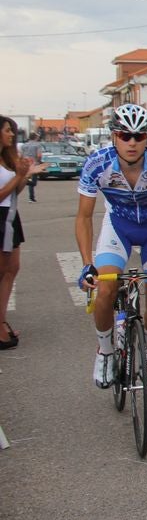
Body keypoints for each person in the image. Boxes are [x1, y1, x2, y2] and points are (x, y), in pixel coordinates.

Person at [75, 104, 147, 387]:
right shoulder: (97, 163)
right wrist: (86, 264)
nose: (131, 142)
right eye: (124, 135)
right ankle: (104, 350)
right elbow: (84, 216)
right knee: (105, 287)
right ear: (113, 136)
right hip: (119, 226)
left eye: (138, 136)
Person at [0, 117, 45, 348]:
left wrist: (25, 174)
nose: (11, 135)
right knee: (3, 271)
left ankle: (2, 320)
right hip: (2, 217)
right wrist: (19, 176)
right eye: (8, 131)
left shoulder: (8, 159)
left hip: (11, 215)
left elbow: (13, 192)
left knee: (12, 269)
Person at [20, 132, 42, 203]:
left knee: (30, 180)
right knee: (34, 182)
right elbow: (39, 155)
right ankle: (24, 182)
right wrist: (39, 161)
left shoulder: (24, 145)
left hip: (26, 164)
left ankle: (31, 198)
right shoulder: (37, 145)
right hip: (34, 164)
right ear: (35, 137)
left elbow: (21, 155)